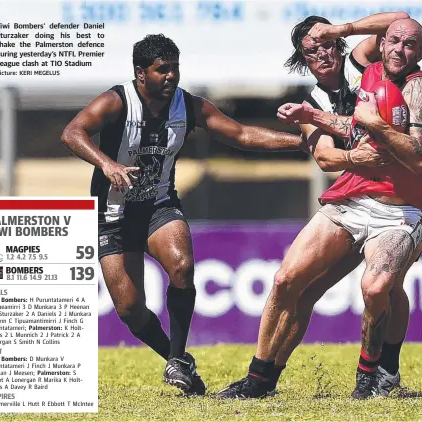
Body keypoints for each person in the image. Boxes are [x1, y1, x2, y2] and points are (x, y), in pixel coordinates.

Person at [61, 34, 305, 396]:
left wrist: (300, 142)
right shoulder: (116, 101)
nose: (171, 76)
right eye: (163, 70)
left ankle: (176, 358)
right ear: (141, 73)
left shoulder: (189, 106)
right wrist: (107, 163)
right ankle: (179, 361)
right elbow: (72, 132)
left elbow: (241, 134)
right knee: (130, 310)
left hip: (159, 206)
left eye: (175, 68)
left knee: (183, 266)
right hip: (112, 215)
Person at [218, 18, 422, 400]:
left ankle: (384, 366)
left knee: (387, 285)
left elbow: (400, 23)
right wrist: (360, 153)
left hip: (404, 198)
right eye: (311, 50)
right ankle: (261, 378)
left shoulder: (365, 65)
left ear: (338, 47)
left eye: (326, 45)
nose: (321, 54)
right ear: (302, 60)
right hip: (353, 192)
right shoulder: (315, 99)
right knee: (292, 285)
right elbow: (324, 158)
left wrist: (340, 29)